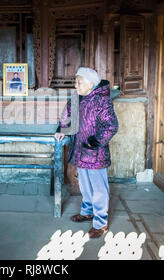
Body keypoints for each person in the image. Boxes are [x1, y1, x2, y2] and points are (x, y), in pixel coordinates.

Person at [55, 67, 119, 239]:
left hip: (95, 153)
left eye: (79, 81)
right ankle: (87, 212)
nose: (76, 85)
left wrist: (95, 142)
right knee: (85, 186)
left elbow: (111, 126)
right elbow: (66, 114)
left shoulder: (102, 101)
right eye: (75, 81)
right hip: (81, 151)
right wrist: (61, 128)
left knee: (99, 189)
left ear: (91, 84)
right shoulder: (76, 98)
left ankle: (100, 223)